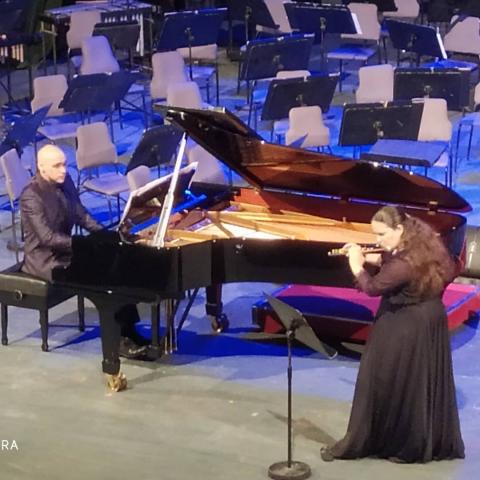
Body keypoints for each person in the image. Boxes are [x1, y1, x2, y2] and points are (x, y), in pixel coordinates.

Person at [321, 205, 465, 463]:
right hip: (429, 320)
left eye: (381, 234)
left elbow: (374, 287)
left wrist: (356, 265)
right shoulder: (425, 245)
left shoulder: (403, 264)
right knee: (413, 380)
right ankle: (411, 437)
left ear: (399, 229)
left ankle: (398, 442)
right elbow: (396, 266)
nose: (377, 241)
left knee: (382, 377)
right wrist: (372, 257)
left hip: (403, 325)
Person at [20, 144, 149, 359]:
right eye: (57, 166)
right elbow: (47, 238)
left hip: (67, 250)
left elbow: (82, 215)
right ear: (41, 168)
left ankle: (129, 330)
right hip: (45, 261)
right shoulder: (31, 196)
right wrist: (84, 245)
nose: (63, 170)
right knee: (104, 277)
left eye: (64, 164)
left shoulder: (66, 182)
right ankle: (117, 341)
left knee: (118, 263)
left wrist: (108, 235)